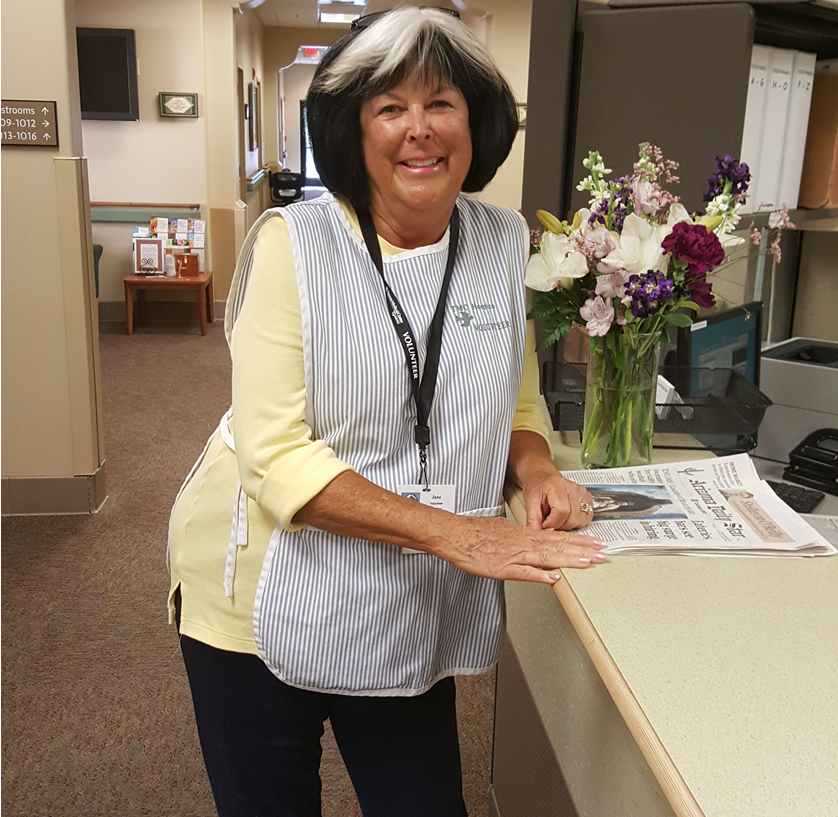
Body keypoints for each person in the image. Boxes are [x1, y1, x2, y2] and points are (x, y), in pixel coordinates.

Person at [167, 8, 605, 816]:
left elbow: (514, 388)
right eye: (390, 107)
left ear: (476, 123)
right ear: (351, 127)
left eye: (441, 103)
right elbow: (277, 456)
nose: (420, 130)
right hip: (259, 595)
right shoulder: (292, 246)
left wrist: (535, 464)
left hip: (403, 592)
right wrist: (461, 533)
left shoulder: (503, 241)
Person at [589, 488, 674, 519]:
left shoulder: (613, 505)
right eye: (626, 502)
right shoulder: (611, 501)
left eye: (626, 504)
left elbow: (601, 509)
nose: (624, 503)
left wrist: (586, 508)